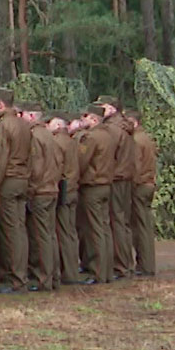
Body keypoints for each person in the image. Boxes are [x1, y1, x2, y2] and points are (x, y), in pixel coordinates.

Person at [0, 88, 31, 294]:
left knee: (10, 232)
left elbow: (1, 158)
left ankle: (16, 279)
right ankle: (20, 275)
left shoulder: (3, 126)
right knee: (19, 229)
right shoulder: (23, 124)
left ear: (1, 104)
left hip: (8, 181)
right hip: (22, 179)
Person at [21, 102, 60, 292]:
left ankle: (44, 279)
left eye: (23, 114)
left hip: (41, 191)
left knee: (42, 236)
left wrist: (31, 189)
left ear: (31, 116)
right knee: (50, 234)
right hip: (52, 188)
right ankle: (54, 276)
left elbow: (35, 167)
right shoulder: (49, 134)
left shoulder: (35, 136)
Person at [97, 95, 135, 282]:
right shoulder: (125, 127)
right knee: (123, 222)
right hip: (126, 177)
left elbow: (107, 155)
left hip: (116, 178)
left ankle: (120, 266)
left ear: (111, 109)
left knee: (116, 222)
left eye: (102, 107)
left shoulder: (112, 130)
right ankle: (126, 264)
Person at [75, 104, 115, 284]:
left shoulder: (91, 138)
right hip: (106, 184)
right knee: (105, 229)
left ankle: (98, 272)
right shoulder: (109, 135)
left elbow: (82, 162)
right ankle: (106, 271)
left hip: (92, 186)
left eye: (86, 116)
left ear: (94, 119)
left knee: (95, 230)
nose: (83, 120)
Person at [48, 111, 84, 285]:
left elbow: (55, 168)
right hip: (73, 188)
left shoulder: (56, 143)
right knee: (70, 232)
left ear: (56, 126)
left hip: (63, 189)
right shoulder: (72, 141)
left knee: (62, 232)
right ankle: (72, 270)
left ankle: (67, 273)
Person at [125, 109, 158, 276]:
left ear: (134, 122)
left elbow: (136, 167)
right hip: (149, 184)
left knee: (140, 228)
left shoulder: (136, 141)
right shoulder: (147, 138)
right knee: (146, 226)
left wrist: (130, 185)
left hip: (140, 186)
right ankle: (148, 264)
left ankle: (144, 265)